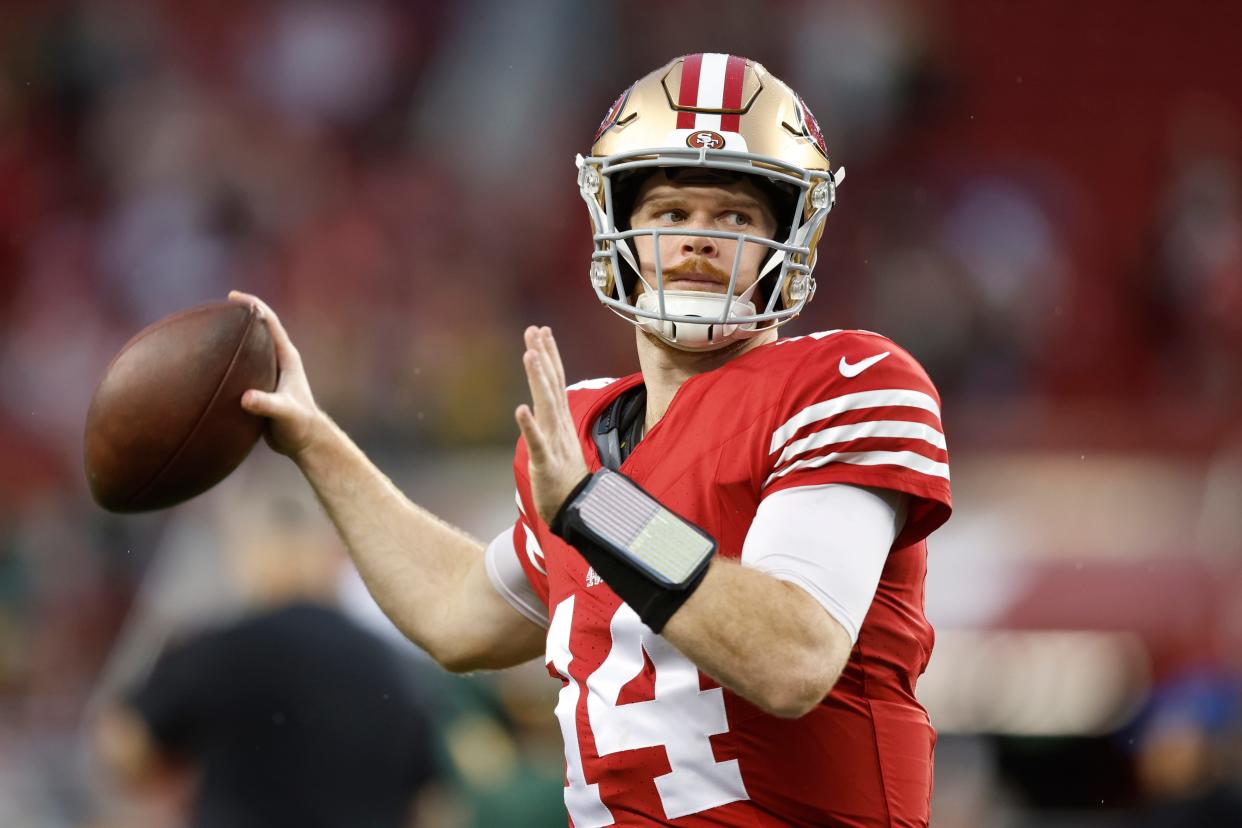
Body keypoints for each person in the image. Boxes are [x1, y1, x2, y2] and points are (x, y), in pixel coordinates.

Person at [231, 53, 952, 827]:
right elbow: (453, 613)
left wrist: (595, 509)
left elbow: (792, 657)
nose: (700, 241)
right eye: (672, 214)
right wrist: (313, 438)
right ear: (621, 229)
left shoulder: (847, 380)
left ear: (793, 236)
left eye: (735, 217)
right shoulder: (583, 431)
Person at [94, 493, 440, 828]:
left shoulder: (221, 650)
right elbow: (432, 806)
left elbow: (124, 746)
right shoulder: (394, 664)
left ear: (257, 552)